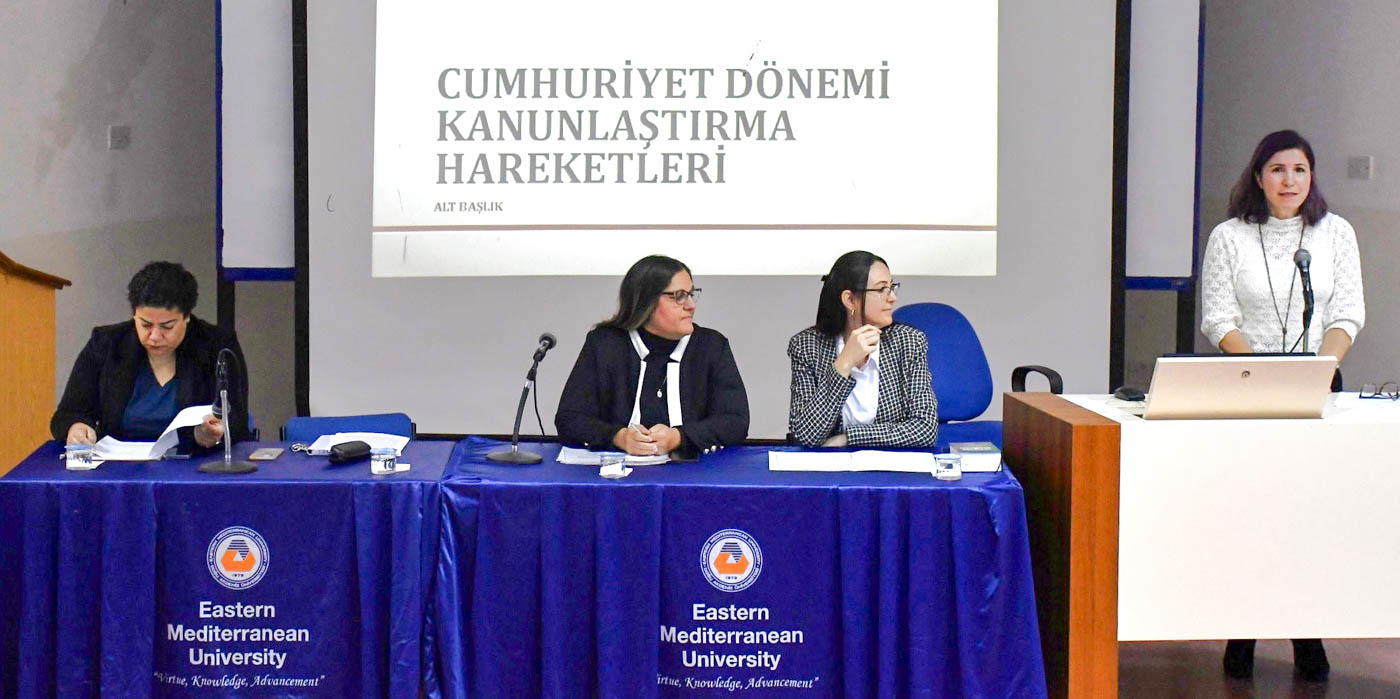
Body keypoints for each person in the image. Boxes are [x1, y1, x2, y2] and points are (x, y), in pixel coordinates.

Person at [1201, 129, 1365, 682]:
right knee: (1251, 515)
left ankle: (1307, 631)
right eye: (1277, 169)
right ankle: (1242, 630)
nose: (1289, 180)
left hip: (1317, 390)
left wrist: (1318, 370)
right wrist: (1262, 374)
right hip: (1249, 390)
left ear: (1311, 177)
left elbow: (1348, 312)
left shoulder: (1335, 232)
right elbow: (1218, 317)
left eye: (1299, 170)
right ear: (1258, 177)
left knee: (1307, 516)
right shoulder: (1229, 236)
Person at [555, 255, 748, 457]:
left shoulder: (711, 345)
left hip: (694, 471)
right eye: (679, 296)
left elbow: (735, 421)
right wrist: (618, 437)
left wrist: (679, 437)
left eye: (691, 294)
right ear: (646, 301)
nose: (691, 305)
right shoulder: (606, 344)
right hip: (621, 470)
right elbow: (570, 419)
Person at [50, 261, 251, 452]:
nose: (154, 336)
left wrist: (210, 434)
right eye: (145, 324)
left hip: (193, 463)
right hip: (118, 466)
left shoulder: (216, 345)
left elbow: (236, 418)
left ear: (187, 317)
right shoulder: (106, 344)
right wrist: (76, 427)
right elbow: (67, 414)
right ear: (134, 315)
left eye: (167, 326)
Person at [787, 250, 937, 448]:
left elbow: (925, 429)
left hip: (892, 463)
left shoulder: (908, 342)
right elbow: (805, 435)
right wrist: (844, 364)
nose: (892, 298)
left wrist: (849, 438)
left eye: (892, 287)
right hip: (831, 465)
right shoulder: (807, 346)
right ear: (850, 300)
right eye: (882, 289)